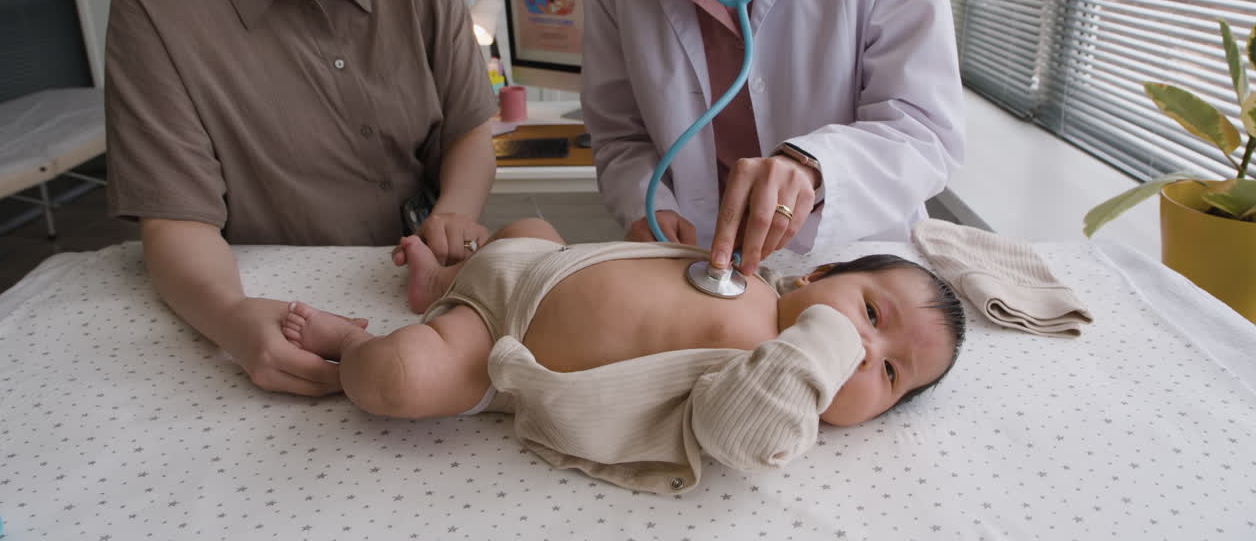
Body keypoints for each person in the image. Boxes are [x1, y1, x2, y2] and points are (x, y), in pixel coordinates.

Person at [104, 0, 498, 397]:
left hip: (429, 299)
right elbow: (175, 222)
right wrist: (230, 317)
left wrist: (455, 216)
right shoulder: (156, 7)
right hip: (284, 315)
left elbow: (470, 128)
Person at [281, 218, 967, 493]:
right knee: (527, 227)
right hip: (538, 259)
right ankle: (437, 281)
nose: (861, 348)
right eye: (870, 314)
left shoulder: (771, 385)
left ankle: (352, 344)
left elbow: (745, 432)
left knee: (400, 379)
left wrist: (827, 344)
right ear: (816, 276)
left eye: (887, 373)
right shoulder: (758, 276)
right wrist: (655, 233)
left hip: (494, 344)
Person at [581, 0, 965, 278]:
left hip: (854, 267)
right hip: (694, 267)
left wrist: (812, 169)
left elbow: (921, 127)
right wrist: (648, 205)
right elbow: (620, 137)